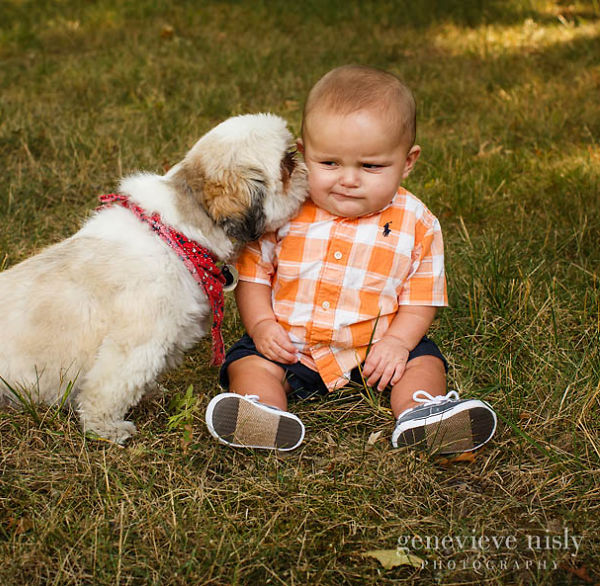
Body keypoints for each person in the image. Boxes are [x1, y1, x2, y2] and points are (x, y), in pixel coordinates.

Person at [204, 65, 496, 455]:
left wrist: (396, 342)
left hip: (374, 354)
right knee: (249, 363)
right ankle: (263, 414)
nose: (348, 179)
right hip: (290, 347)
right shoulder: (285, 210)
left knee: (424, 362)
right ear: (304, 154)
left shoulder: (417, 223)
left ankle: (422, 413)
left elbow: (420, 297)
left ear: (407, 162)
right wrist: (261, 326)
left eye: (371, 166)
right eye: (329, 163)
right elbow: (254, 274)